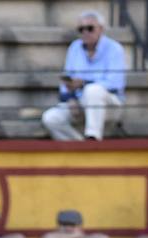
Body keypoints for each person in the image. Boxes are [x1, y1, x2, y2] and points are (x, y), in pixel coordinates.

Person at [41, 10, 125, 141]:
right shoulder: (74, 48)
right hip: (80, 102)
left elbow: (115, 83)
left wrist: (84, 84)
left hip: (109, 104)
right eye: (81, 29)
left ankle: (93, 137)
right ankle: (80, 145)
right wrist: (70, 98)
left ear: (101, 29)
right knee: (51, 118)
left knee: (93, 90)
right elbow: (67, 80)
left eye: (90, 28)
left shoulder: (114, 48)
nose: (85, 32)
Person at [39, 209, 110, 238]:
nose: (68, 228)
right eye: (64, 224)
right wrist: (74, 237)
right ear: (58, 226)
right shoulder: (50, 236)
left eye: (73, 225)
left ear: (80, 226)